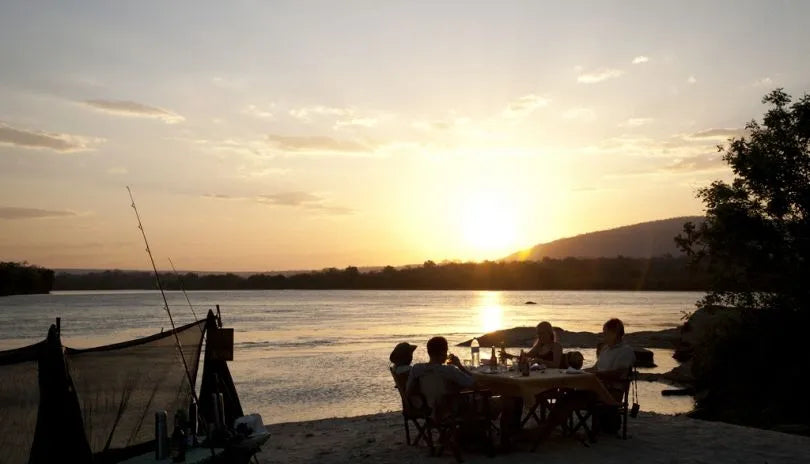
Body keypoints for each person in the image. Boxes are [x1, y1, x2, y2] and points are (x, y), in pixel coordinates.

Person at [534, 318, 636, 443]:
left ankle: (546, 430)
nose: (603, 335)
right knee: (566, 396)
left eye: (605, 332)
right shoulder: (606, 349)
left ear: (615, 333)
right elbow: (596, 368)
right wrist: (581, 371)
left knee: (569, 399)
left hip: (611, 391)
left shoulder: (625, 351)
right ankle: (548, 428)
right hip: (594, 387)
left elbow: (620, 374)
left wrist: (596, 374)